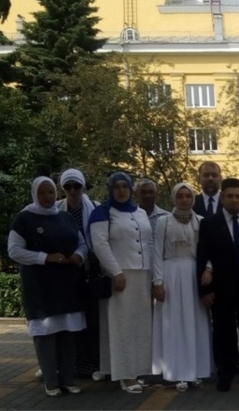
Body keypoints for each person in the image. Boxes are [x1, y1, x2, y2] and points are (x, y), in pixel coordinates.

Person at [8, 176, 88, 397]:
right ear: (35, 194)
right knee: (46, 335)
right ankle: (51, 382)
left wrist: (78, 257)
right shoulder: (24, 219)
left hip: (67, 285)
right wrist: (45, 257)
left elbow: (81, 243)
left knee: (67, 334)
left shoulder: (65, 217)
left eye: (51, 192)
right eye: (42, 193)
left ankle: (68, 380)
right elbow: (14, 251)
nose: (47, 197)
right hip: (40, 287)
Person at [196, 178, 239, 392]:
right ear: (222, 197)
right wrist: (205, 290)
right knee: (223, 332)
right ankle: (225, 373)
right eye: (230, 196)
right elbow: (203, 256)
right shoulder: (209, 223)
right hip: (221, 288)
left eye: (238, 196)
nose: (234, 200)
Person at [89, 172, 153, 394]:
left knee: (138, 326)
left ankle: (131, 369)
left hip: (142, 274)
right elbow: (100, 245)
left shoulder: (141, 212)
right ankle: (125, 375)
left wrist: (154, 275)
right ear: (110, 189)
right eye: (117, 187)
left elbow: (149, 242)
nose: (121, 191)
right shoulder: (103, 212)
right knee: (120, 327)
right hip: (120, 276)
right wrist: (116, 272)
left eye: (125, 186)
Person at [151, 183, 212, 392]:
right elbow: (157, 253)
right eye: (180, 196)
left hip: (194, 275)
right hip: (170, 273)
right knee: (174, 323)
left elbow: (208, 250)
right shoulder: (163, 222)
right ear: (173, 198)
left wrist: (209, 269)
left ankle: (196, 370)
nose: (184, 199)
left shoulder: (201, 221)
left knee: (195, 322)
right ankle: (176, 372)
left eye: (188, 196)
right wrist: (157, 282)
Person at [54, 169, 102, 382]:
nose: (73, 191)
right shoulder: (56, 210)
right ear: (63, 189)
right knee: (69, 320)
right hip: (64, 273)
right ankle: (68, 365)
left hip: (90, 271)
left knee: (91, 320)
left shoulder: (95, 209)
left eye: (77, 186)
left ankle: (93, 364)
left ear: (83, 187)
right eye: (68, 187)